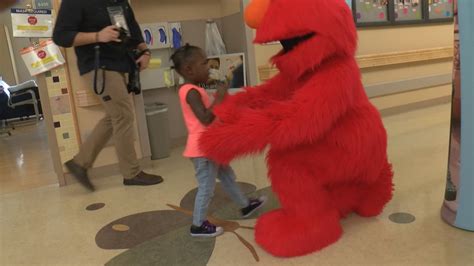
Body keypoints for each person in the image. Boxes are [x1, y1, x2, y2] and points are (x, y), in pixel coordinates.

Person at [53, 0, 163, 191]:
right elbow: (61, 36)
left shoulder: (120, 1)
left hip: (122, 64)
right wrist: (98, 36)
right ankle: (131, 173)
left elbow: (134, 32)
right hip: (98, 66)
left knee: (115, 116)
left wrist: (145, 52)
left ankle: (80, 163)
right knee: (123, 115)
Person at [170, 44, 265, 237]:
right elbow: (205, 118)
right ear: (189, 69)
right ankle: (197, 225)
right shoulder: (190, 91)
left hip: (210, 145)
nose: (209, 67)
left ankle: (245, 205)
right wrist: (219, 99)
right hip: (202, 149)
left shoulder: (194, 88)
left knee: (227, 176)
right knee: (207, 187)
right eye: (204, 63)